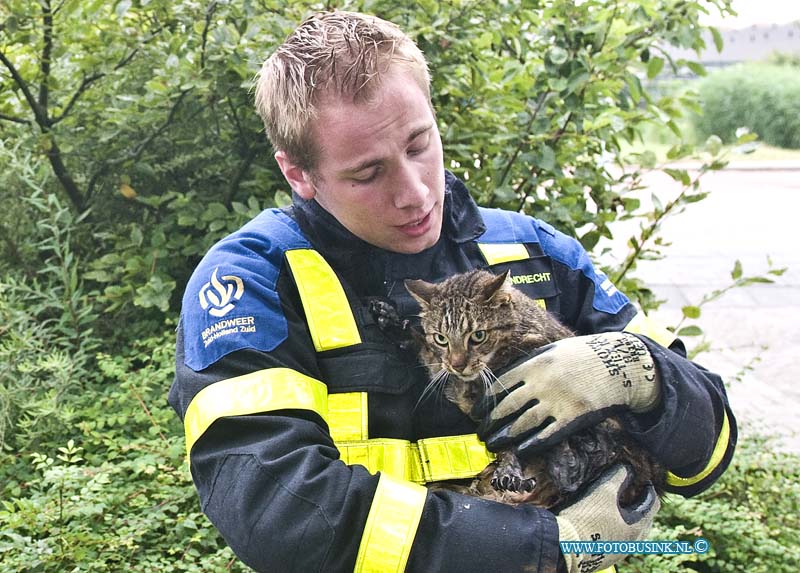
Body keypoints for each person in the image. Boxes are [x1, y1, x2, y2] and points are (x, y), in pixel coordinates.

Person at [168, 10, 736, 573]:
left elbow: (706, 458)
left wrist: (645, 375)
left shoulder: (535, 252)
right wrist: (543, 550)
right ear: (298, 174)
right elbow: (275, 512)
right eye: (368, 174)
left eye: (419, 144)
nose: (415, 193)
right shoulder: (254, 280)